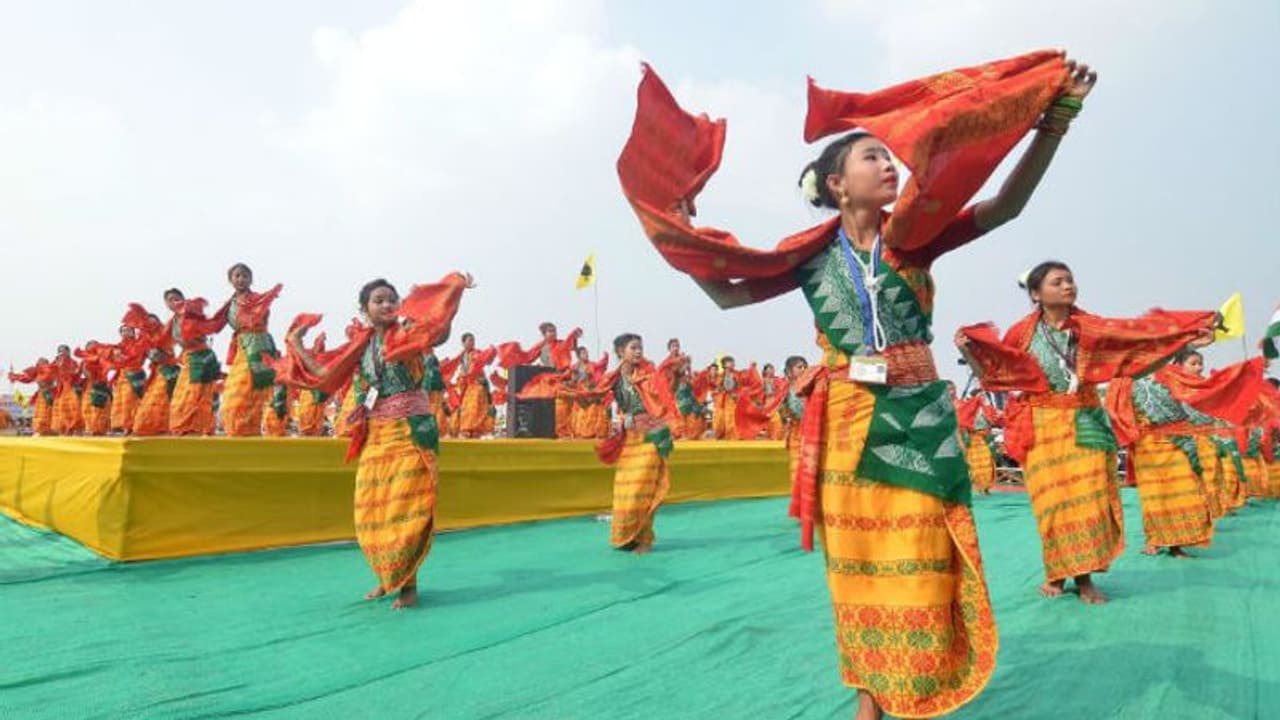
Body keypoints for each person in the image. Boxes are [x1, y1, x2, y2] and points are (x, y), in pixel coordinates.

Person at [617, 50, 1094, 719]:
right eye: (873, 157)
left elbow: (1005, 206)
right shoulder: (809, 258)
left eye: (889, 156)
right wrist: (682, 230)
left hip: (918, 418)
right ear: (838, 184)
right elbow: (727, 294)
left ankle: (916, 680)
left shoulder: (916, 238)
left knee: (923, 550)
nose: (889, 164)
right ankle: (870, 691)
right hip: (847, 420)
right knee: (858, 561)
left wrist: (1053, 123)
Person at [959, 262, 1217, 602]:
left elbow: (1135, 363)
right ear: (1036, 293)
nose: (1068, 286)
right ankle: (1057, 573)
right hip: (1042, 429)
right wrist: (967, 350)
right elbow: (994, 376)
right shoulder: (1021, 334)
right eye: (1057, 282)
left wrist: (1182, 340)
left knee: (1088, 503)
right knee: (1052, 506)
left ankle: (1084, 579)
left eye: (1070, 280)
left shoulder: (1091, 329)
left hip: (1086, 421)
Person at [273, 273, 472, 610]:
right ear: (365, 309)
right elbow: (322, 375)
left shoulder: (409, 332)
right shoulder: (360, 346)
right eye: (378, 300)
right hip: (377, 435)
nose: (387, 304)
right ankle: (386, 575)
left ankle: (408, 584)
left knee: (404, 510)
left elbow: (438, 332)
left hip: (410, 433)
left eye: (392, 299)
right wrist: (296, 343)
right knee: (371, 509)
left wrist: (453, 292)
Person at [597, 333, 673, 553]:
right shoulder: (613, 379)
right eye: (634, 348)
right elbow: (593, 394)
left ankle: (644, 539)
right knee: (626, 491)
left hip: (651, 436)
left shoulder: (649, 375)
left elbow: (663, 398)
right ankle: (628, 536)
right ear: (621, 352)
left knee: (644, 489)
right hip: (630, 439)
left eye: (640, 347)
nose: (639, 351)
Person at [212, 264, 283, 437]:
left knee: (253, 391)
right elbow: (214, 325)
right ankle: (240, 431)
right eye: (237, 276)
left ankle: (249, 431)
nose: (241, 279)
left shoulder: (258, 299)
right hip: (241, 349)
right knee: (233, 393)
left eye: (245, 276)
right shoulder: (229, 305)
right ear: (230, 280)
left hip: (257, 346)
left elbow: (263, 318)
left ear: (251, 279)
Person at [164, 288, 221, 435]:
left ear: (183, 300)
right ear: (167, 304)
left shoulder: (192, 316)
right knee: (182, 393)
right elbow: (162, 341)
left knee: (199, 393)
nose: (174, 301)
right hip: (188, 358)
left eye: (177, 298)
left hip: (201, 356)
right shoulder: (172, 323)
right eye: (170, 299)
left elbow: (210, 327)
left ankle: (199, 427)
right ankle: (185, 427)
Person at [442, 333, 496, 438]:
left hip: (477, 385)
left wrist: (490, 352)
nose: (472, 342)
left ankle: (474, 430)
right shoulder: (461, 356)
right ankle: (467, 430)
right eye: (470, 340)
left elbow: (487, 360)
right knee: (465, 408)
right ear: (463, 343)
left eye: (473, 340)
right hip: (467, 387)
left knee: (475, 407)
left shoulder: (477, 353)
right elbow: (459, 371)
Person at [957, 390, 1001, 495]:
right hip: (973, 439)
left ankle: (986, 487)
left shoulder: (986, 409)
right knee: (977, 465)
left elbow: (994, 421)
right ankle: (981, 487)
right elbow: (963, 424)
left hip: (986, 438)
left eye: (984, 395)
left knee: (988, 463)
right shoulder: (968, 409)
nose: (983, 397)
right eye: (981, 395)